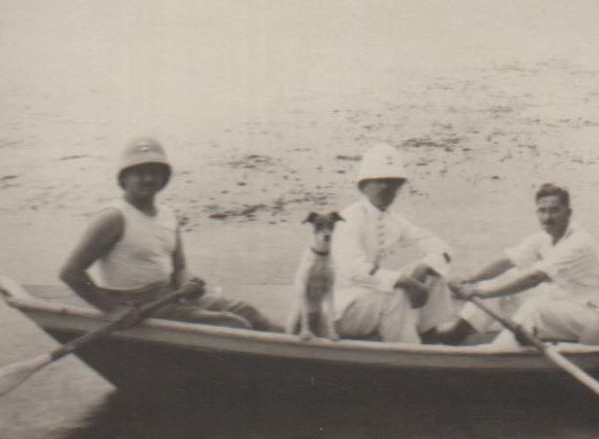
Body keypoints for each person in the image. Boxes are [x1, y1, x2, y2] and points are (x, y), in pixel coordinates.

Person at [58, 136, 276, 331]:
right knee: (234, 325)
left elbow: (179, 269)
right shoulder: (113, 218)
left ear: (164, 178)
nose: (148, 179)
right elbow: (70, 273)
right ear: (124, 179)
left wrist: (187, 283)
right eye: (139, 173)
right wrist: (111, 309)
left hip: (171, 295)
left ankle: (304, 349)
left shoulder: (168, 215)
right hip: (140, 306)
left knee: (247, 312)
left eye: (155, 172)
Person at [438, 183, 599, 349]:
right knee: (506, 276)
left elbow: (534, 278)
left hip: (591, 316)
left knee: (533, 308)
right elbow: (507, 261)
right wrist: (470, 279)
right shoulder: (544, 238)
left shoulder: (578, 243)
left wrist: (480, 293)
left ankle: (497, 352)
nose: (547, 218)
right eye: (542, 211)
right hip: (560, 302)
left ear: (568, 213)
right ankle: (457, 333)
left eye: (555, 211)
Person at [327, 142, 458, 344]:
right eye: (379, 181)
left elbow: (440, 247)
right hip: (340, 311)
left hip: (370, 300)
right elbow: (356, 269)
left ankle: (430, 338)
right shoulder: (347, 219)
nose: (386, 187)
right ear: (363, 185)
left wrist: (425, 266)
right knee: (396, 294)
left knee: (433, 276)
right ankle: (408, 353)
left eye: (393, 182)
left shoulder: (392, 220)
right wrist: (404, 281)